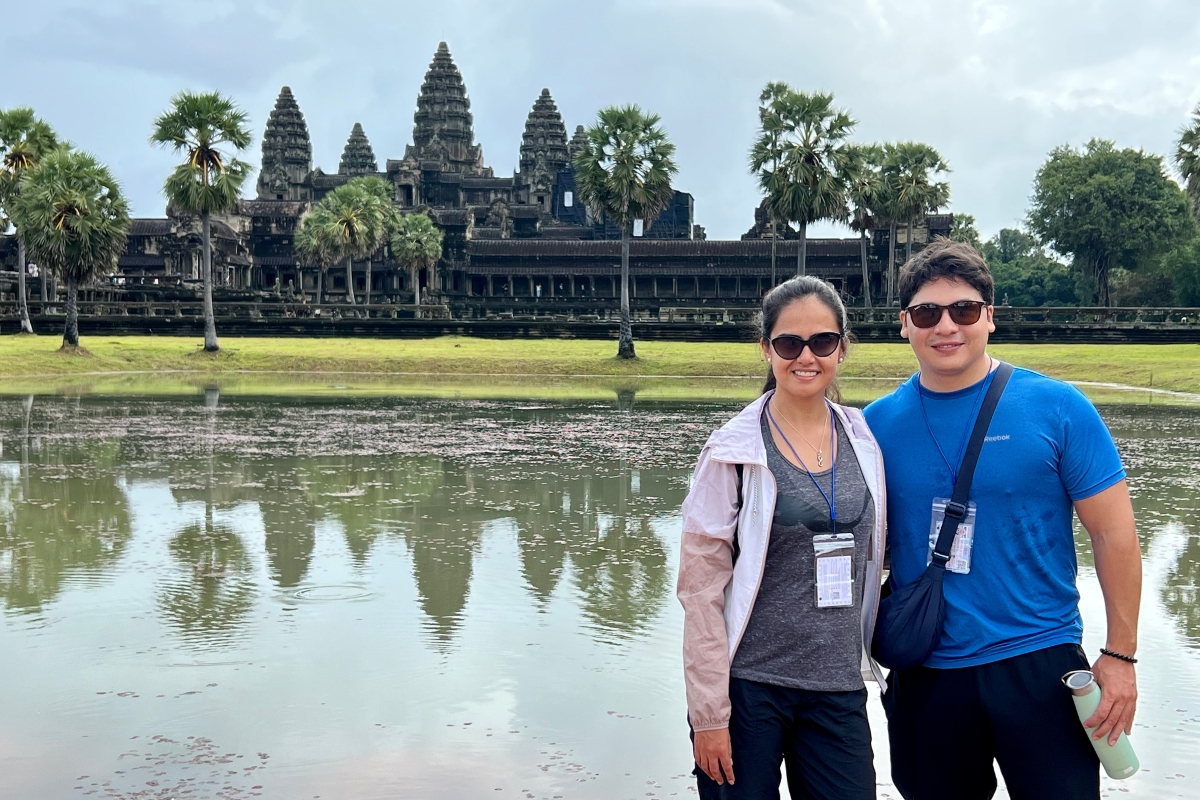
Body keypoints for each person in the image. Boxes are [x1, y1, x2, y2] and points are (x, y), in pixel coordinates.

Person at [863, 239, 1141, 800]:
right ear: (904, 325)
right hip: (928, 669)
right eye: (927, 313)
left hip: (1040, 659)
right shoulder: (874, 427)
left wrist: (1120, 656)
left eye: (963, 310)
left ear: (990, 316)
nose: (946, 327)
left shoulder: (1058, 407)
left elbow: (1114, 535)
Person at [677, 276, 888, 800]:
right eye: (789, 343)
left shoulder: (864, 439)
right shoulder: (733, 450)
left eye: (822, 342)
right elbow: (700, 591)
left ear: (842, 347)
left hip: (837, 684)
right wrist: (708, 715)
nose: (806, 357)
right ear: (767, 348)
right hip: (750, 687)